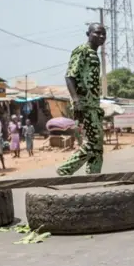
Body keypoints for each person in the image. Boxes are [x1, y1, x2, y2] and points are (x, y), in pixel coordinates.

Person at [56, 23, 106, 176]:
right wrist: (76, 101)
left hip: (93, 105)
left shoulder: (94, 54)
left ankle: (93, 176)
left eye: (104, 34)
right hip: (84, 104)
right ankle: (65, 170)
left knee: (97, 145)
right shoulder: (82, 51)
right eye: (97, 33)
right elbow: (70, 76)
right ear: (88, 34)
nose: (101, 37)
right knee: (93, 141)